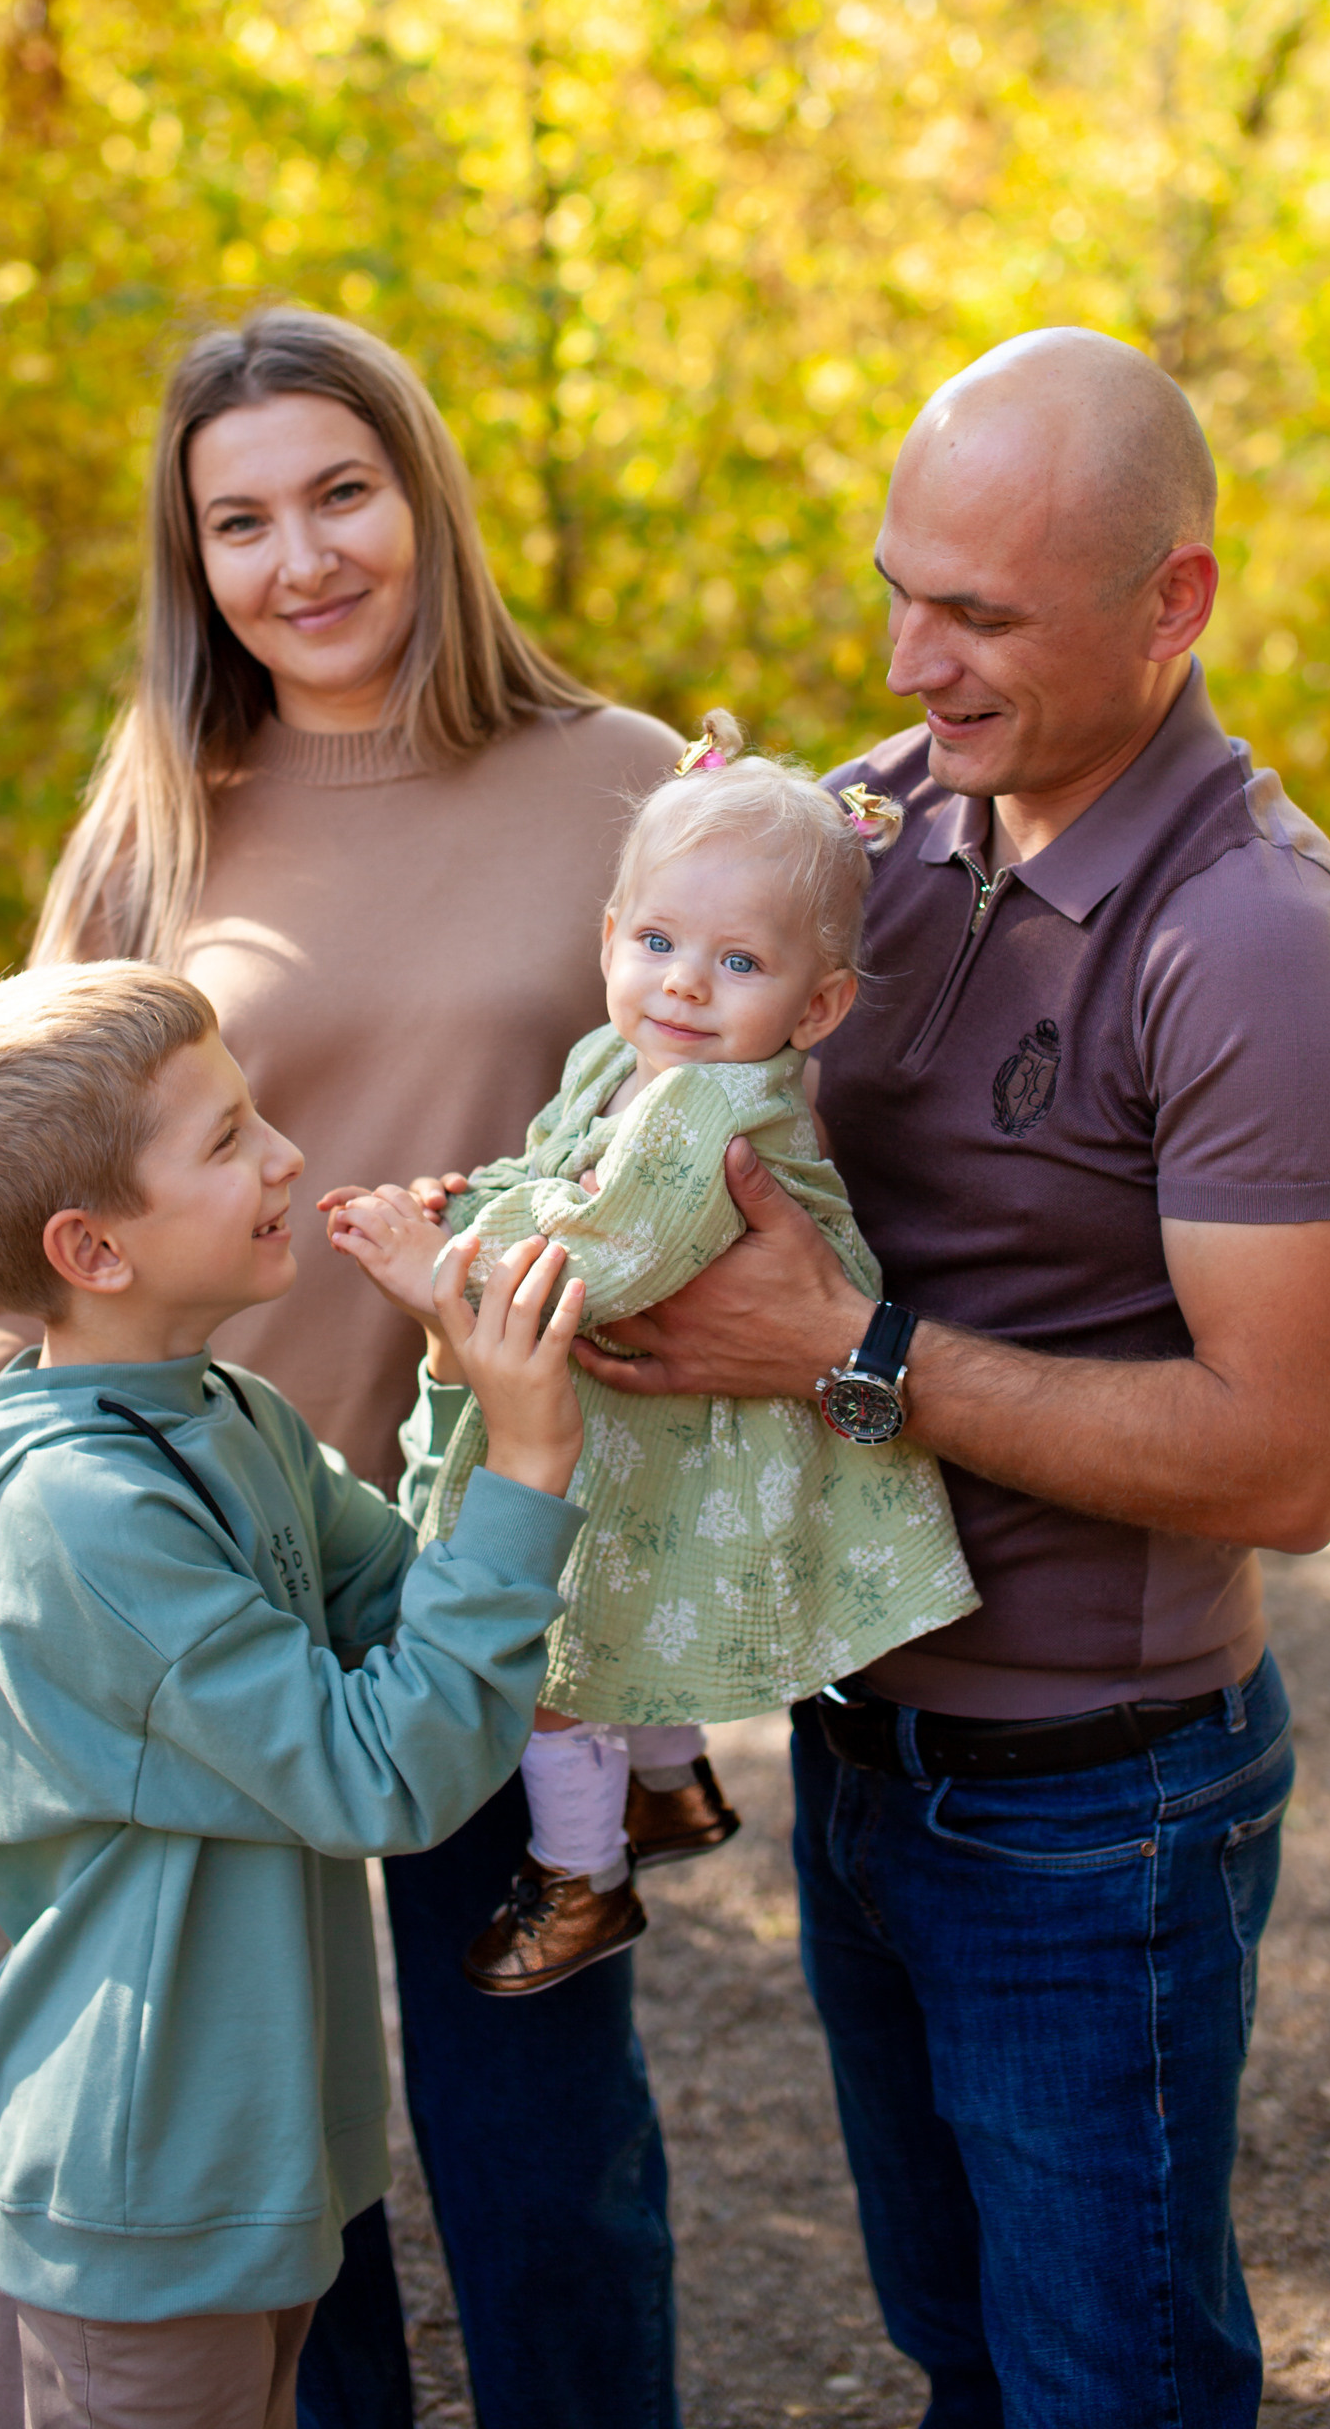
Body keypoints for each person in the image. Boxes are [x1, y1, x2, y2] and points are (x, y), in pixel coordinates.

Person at [0, 310, 684, 2429]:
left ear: (421, 496)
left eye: (339, 493)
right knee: (269, 2154)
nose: (299, 559)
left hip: (480, 1567)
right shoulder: (160, 809)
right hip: (205, 1573)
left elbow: (733, 1114)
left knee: (539, 2152)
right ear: (190, 554)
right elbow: (24, 1160)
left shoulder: (624, 782)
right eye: (239, 521)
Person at [575, 328, 1330, 2428]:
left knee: (1101, 2382)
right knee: (958, 2354)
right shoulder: (882, 830)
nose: (909, 658)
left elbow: (1284, 1459)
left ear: (1174, 604)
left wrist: (841, 1354)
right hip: (864, 1751)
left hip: (1091, 1807)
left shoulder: (1254, 947)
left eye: (978, 616)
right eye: (895, 588)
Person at [0, 960, 593, 2429]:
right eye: (229, 1137)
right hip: (144, 2178)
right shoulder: (89, 1516)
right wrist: (527, 1460)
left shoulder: (226, 1413)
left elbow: (401, 1617)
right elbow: (383, 1773)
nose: (289, 1158)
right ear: (94, 1249)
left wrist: (452, 1376)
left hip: (244, 2153)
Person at [326, 712, 976, 1995]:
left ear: (818, 1003)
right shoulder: (623, 1059)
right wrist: (477, 1201)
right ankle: (669, 1791)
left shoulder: (706, 1103)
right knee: (624, 1581)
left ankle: (583, 1882)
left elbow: (593, 1258)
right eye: (659, 941)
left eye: (739, 962)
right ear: (610, 937)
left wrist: (437, 1267)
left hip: (699, 1399)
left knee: (553, 1653)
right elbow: (553, 1171)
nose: (683, 982)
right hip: (662, 1417)